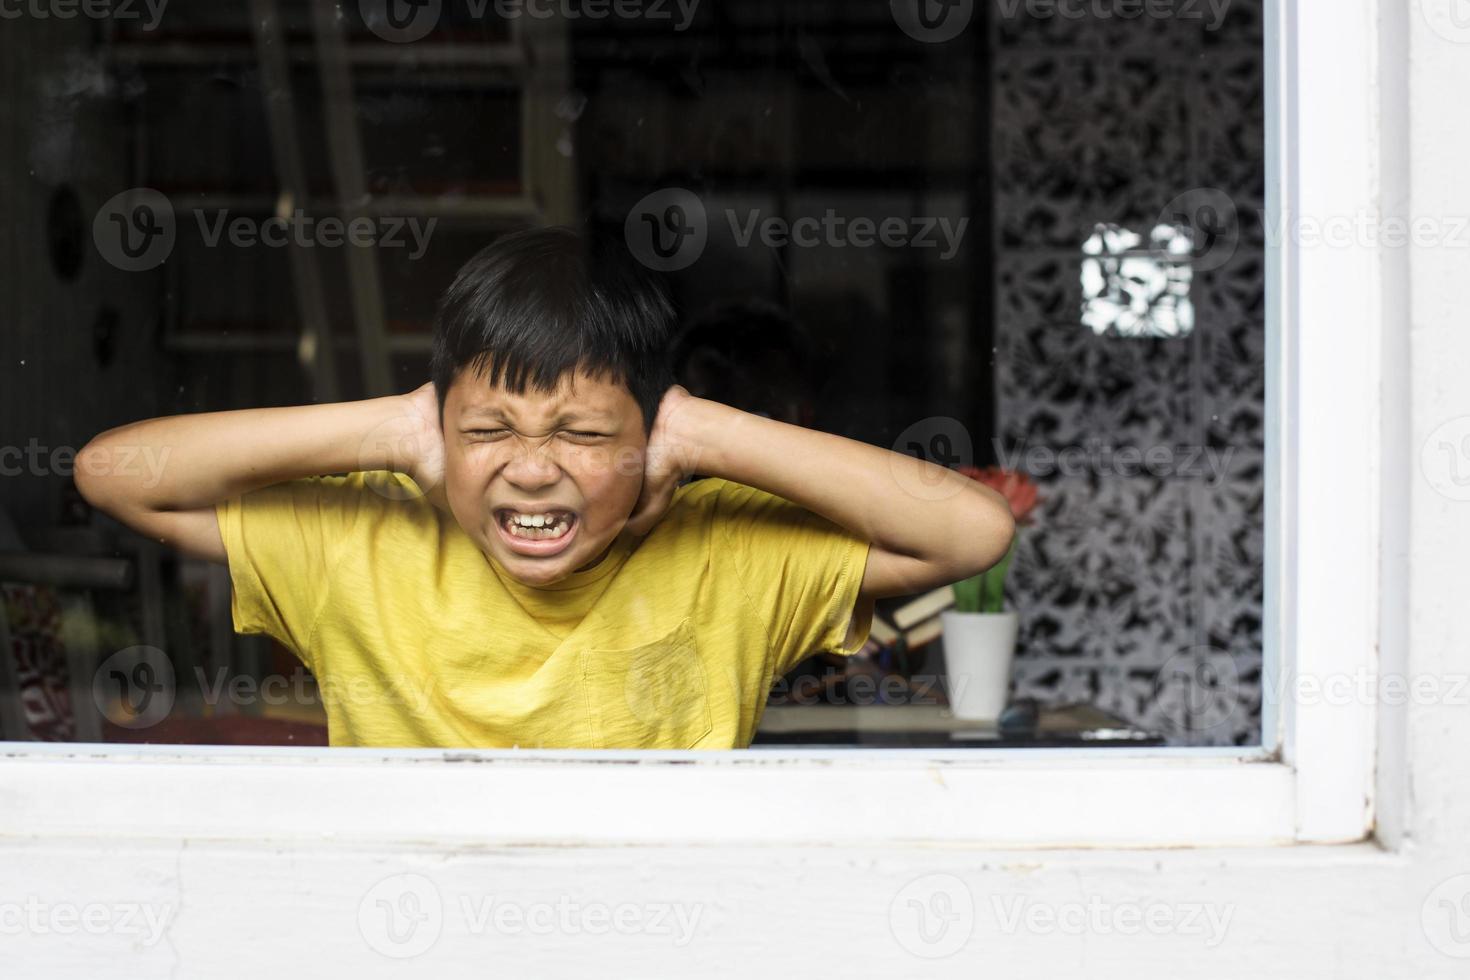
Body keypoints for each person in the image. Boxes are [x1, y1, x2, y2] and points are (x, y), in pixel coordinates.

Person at [75, 226, 1015, 749]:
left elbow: (971, 535)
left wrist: (702, 429)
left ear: (650, 440)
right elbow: (111, 475)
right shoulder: (361, 533)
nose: (531, 469)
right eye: (487, 432)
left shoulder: (729, 543)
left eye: (582, 433)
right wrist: (400, 427)